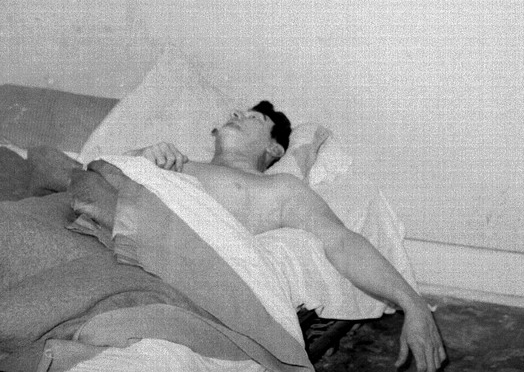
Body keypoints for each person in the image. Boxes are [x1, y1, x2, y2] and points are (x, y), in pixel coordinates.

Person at [130, 103, 447, 372]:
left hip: (159, 282)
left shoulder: (278, 189)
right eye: (238, 113)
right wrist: (140, 155)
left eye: (255, 118)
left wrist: (413, 304)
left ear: (274, 149)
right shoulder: (172, 162)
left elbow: (341, 242)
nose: (238, 115)